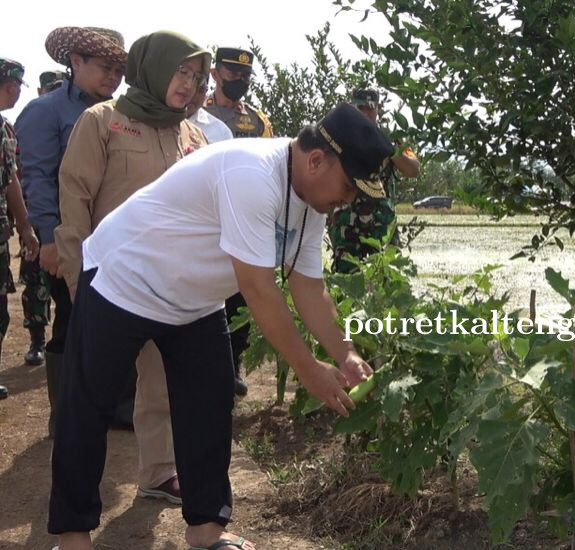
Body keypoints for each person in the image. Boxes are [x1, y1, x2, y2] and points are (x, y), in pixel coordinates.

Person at [49, 103, 393, 550]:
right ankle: (73, 534)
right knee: (88, 407)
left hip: (193, 300)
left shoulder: (310, 203)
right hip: (124, 278)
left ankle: (206, 528)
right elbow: (258, 289)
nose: (348, 200)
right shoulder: (252, 175)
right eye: (348, 187)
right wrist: (310, 370)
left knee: (209, 406)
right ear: (315, 160)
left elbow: (309, 287)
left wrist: (345, 353)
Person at [56, 30, 212, 508]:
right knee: (93, 395)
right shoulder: (103, 121)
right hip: (110, 284)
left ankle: (159, 473)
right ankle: (76, 508)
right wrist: (79, 281)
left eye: (196, 75)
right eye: (180, 70)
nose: (188, 83)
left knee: (162, 383)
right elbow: (76, 201)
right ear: (153, 66)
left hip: (170, 285)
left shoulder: (192, 135)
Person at [15, 26, 126, 435]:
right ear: (75, 62)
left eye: (118, 70)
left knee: (117, 323)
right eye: (104, 67)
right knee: (71, 322)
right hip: (70, 239)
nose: (112, 77)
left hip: (115, 241)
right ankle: (65, 415)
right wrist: (49, 239)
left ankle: (114, 408)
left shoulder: (123, 115)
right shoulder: (46, 112)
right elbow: (38, 178)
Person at [205, 46, 274, 397]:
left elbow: (270, 164)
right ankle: (208, 366)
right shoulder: (198, 115)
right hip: (208, 219)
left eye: (246, 76)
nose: (240, 81)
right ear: (216, 74)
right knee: (206, 295)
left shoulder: (258, 122)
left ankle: (233, 367)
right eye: (233, 74)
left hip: (245, 220)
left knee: (240, 298)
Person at [329, 88, 420, 274]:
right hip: (347, 227)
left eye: (370, 109)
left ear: (378, 109)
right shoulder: (336, 137)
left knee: (388, 280)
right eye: (360, 108)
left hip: (382, 225)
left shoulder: (392, 139)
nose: (365, 113)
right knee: (348, 283)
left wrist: (388, 149)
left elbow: (414, 169)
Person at [19, 69, 68, 367]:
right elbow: (28, 177)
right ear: (41, 90)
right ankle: (37, 340)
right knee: (36, 285)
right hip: (38, 219)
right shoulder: (37, 117)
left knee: (65, 299)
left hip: (65, 222)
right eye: (51, 88)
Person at [0, 58, 41, 400]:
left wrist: (24, 226)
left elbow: (11, 178)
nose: (16, 93)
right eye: (14, 87)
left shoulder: (5, 127)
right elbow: (12, 179)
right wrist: (26, 227)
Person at [186, 77, 232, 143]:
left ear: (206, 91)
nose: (193, 96)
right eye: (188, 89)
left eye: (200, 90)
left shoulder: (221, 132)